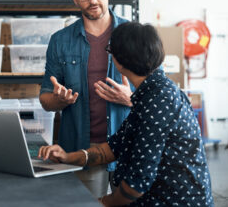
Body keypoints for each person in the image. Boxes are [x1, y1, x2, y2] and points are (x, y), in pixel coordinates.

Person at [39, 22, 214, 206]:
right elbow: (113, 148)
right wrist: (68, 157)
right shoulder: (150, 94)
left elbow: (137, 183)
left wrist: (101, 202)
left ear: (119, 62)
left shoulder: (158, 101)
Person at [39, 0, 133, 198]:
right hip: (83, 150)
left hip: (131, 149)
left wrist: (130, 98)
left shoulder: (135, 35)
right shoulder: (60, 41)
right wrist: (59, 100)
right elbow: (45, 99)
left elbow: (162, 96)